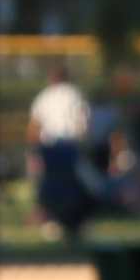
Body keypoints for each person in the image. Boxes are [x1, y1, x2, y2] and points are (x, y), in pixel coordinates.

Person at [27, 66, 92, 235]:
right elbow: (83, 122)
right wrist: (85, 145)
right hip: (70, 145)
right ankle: (72, 222)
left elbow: (35, 125)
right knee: (71, 184)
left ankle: (54, 219)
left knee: (51, 184)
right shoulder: (76, 94)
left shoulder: (45, 96)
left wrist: (34, 152)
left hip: (49, 146)